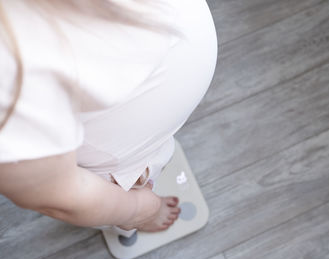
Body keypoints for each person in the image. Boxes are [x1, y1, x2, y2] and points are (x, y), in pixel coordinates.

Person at [0, 0, 217, 236]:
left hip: (141, 122)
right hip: (115, 175)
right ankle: (129, 224)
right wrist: (140, 210)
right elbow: (60, 195)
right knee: (125, 204)